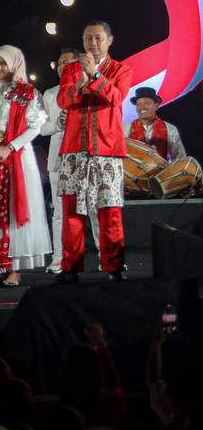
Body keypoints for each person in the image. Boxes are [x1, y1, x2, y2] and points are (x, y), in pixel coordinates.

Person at [57, 20, 133, 282]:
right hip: (74, 149)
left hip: (107, 150)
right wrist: (80, 82)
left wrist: (95, 76)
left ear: (110, 40)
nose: (93, 43)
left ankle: (113, 267)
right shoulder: (70, 69)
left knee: (109, 210)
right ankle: (71, 268)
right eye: (88, 38)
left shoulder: (121, 69)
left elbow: (116, 97)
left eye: (98, 38)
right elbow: (62, 100)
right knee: (72, 213)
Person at [0, 46, 49, 286]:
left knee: (13, 210)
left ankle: (15, 269)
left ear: (15, 64)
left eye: (3, 63)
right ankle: (1, 266)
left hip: (15, 157)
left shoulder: (27, 92)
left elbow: (35, 126)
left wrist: (11, 147)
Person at [41, 49, 82, 274]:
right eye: (59, 62)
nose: (62, 66)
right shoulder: (50, 94)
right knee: (59, 212)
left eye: (67, 62)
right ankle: (58, 258)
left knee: (93, 210)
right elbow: (41, 127)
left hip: (85, 157)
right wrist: (58, 123)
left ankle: (107, 259)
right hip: (59, 158)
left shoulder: (88, 89)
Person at [126, 86, 185, 161]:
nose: (142, 107)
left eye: (147, 103)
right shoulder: (126, 129)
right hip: (132, 171)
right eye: (139, 104)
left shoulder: (169, 129)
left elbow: (180, 159)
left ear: (156, 106)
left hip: (162, 171)